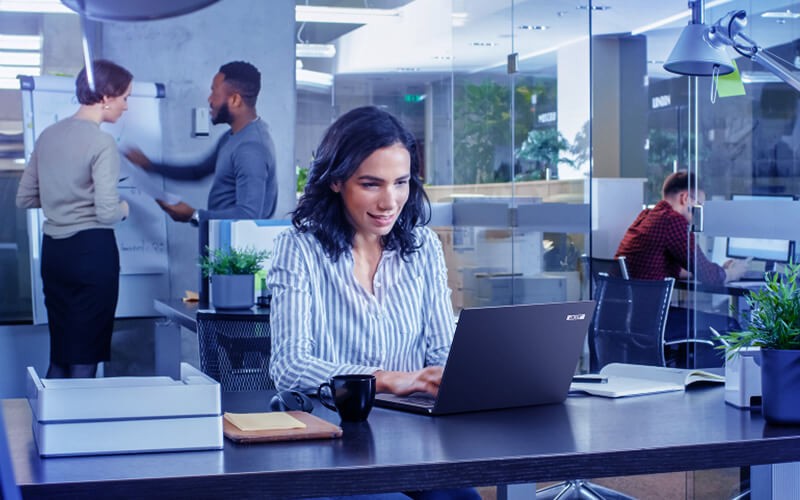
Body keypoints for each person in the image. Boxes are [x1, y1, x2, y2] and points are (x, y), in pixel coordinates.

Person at [268, 106, 479, 500]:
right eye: (371, 184)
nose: (389, 201)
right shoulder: (298, 249)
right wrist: (390, 379)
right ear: (335, 181)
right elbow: (289, 365)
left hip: (414, 434)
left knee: (461, 499)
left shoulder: (423, 247)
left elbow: (439, 348)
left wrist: (464, 373)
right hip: (334, 442)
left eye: (401, 183)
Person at [16, 59, 133, 379]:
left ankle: (43, 428)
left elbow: (24, 197)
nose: (125, 106)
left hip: (55, 254)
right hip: (91, 253)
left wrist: (61, 196)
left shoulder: (48, 135)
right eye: (124, 97)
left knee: (62, 353)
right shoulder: (101, 142)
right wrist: (125, 208)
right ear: (107, 96)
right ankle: (76, 430)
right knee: (85, 356)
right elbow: (108, 212)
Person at [125, 61, 276, 225]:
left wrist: (194, 215)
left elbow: (248, 215)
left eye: (214, 93)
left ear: (235, 100)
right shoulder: (232, 137)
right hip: (223, 241)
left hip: (236, 248)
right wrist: (149, 165)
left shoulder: (250, 148)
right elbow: (198, 172)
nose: (209, 99)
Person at [615, 170, 748, 285]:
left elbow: (668, 268)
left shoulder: (646, 216)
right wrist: (734, 273)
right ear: (685, 198)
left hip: (628, 308)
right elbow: (709, 277)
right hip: (648, 310)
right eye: (699, 204)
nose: (699, 213)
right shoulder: (672, 220)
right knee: (726, 316)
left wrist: (717, 270)